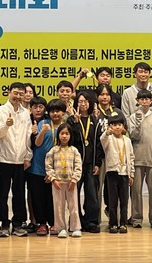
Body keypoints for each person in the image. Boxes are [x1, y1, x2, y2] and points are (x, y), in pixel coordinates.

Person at [0, 82, 32, 237]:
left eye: (21, 94)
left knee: (19, 194)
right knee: (2, 195)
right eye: (15, 93)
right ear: (9, 93)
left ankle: (17, 224)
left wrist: (27, 156)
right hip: (4, 159)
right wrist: (6, 125)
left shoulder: (25, 113)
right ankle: (4, 224)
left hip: (20, 160)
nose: (18, 96)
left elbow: (28, 136)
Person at [66, 90, 104, 233]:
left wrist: (97, 163)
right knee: (73, 194)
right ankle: (75, 221)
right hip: (75, 165)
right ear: (76, 103)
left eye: (86, 101)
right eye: (80, 101)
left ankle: (91, 221)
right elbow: (71, 140)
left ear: (90, 103)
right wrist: (76, 123)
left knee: (92, 194)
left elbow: (99, 143)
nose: (83, 104)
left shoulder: (95, 120)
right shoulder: (71, 120)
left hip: (90, 164)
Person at [127, 89, 152, 228]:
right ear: (137, 101)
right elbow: (133, 136)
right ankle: (136, 219)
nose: (144, 101)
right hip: (137, 158)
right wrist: (138, 121)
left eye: (147, 99)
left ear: (151, 100)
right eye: (141, 99)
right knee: (136, 191)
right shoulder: (132, 117)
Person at [45, 123, 83, 238]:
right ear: (58, 135)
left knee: (73, 206)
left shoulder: (74, 151)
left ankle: (75, 227)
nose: (64, 136)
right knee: (58, 207)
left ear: (71, 135)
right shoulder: (53, 150)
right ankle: (61, 228)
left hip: (71, 183)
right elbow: (48, 166)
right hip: (57, 183)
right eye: (62, 133)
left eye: (67, 134)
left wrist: (74, 179)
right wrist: (53, 179)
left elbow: (78, 166)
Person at [28, 97, 58, 236]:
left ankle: (53, 222)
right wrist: (42, 131)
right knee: (37, 196)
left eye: (41, 107)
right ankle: (41, 223)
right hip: (37, 166)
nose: (55, 114)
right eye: (53, 111)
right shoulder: (42, 123)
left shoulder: (63, 126)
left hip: (55, 167)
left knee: (52, 197)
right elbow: (37, 143)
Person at [94, 83, 123, 223]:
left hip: (115, 155)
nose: (104, 97)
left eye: (107, 94)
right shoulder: (94, 112)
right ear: (97, 96)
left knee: (115, 188)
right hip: (99, 156)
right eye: (102, 94)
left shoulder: (117, 112)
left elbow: (124, 131)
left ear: (111, 97)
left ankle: (115, 220)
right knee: (98, 188)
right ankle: (96, 219)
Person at [100, 115, 134, 233]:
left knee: (124, 200)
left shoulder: (127, 140)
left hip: (124, 173)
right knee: (112, 200)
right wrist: (106, 133)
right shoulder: (108, 139)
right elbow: (102, 139)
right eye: (114, 125)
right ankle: (113, 223)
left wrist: (131, 174)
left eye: (119, 125)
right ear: (110, 126)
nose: (117, 127)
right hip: (112, 172)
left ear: (123, 126)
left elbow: (131, 157)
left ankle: (123, 223)